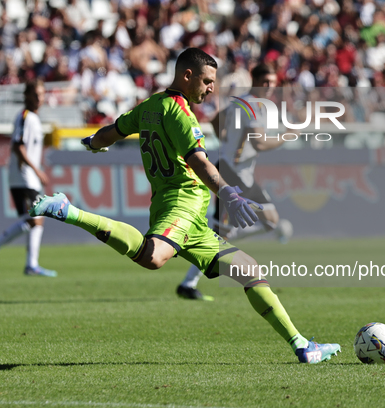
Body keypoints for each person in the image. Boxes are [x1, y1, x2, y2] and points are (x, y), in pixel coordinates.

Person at [29, 48, 340, 364]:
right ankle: (69, 211)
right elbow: (200, 163)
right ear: (186, 75)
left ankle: (302, 346)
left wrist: (93, 143)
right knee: (152, 257)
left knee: (250, 270)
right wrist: (229, 194)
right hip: (184, 202)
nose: (211, 88)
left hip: (189, 216)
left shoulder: (149, 106)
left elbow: (112, 132)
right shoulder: (181, 113)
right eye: (206, 81)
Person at [176, 63, 293, 301]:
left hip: (239, 173)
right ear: (256, 81)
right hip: (231, 173)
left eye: (273, 83)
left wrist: (227, 139)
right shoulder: (251, 106)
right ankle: (190, 278)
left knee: (269, 221)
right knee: (268, 221)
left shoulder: (243, 103)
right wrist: (285, 137)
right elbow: (259, 143)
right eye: (266, 82)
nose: (270, 87)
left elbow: (216, 121)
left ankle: (199, 266)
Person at [0, 79, 57, 277]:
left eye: (42, 95)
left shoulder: (34, 118)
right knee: (35, 219)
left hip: (28, 176)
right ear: (26, 96)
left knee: (37, 219)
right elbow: (18, 146)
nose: (40, 99)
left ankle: (31, 264)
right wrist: (37, 170)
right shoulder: (24, 117)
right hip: (23, 175)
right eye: (36, 95)